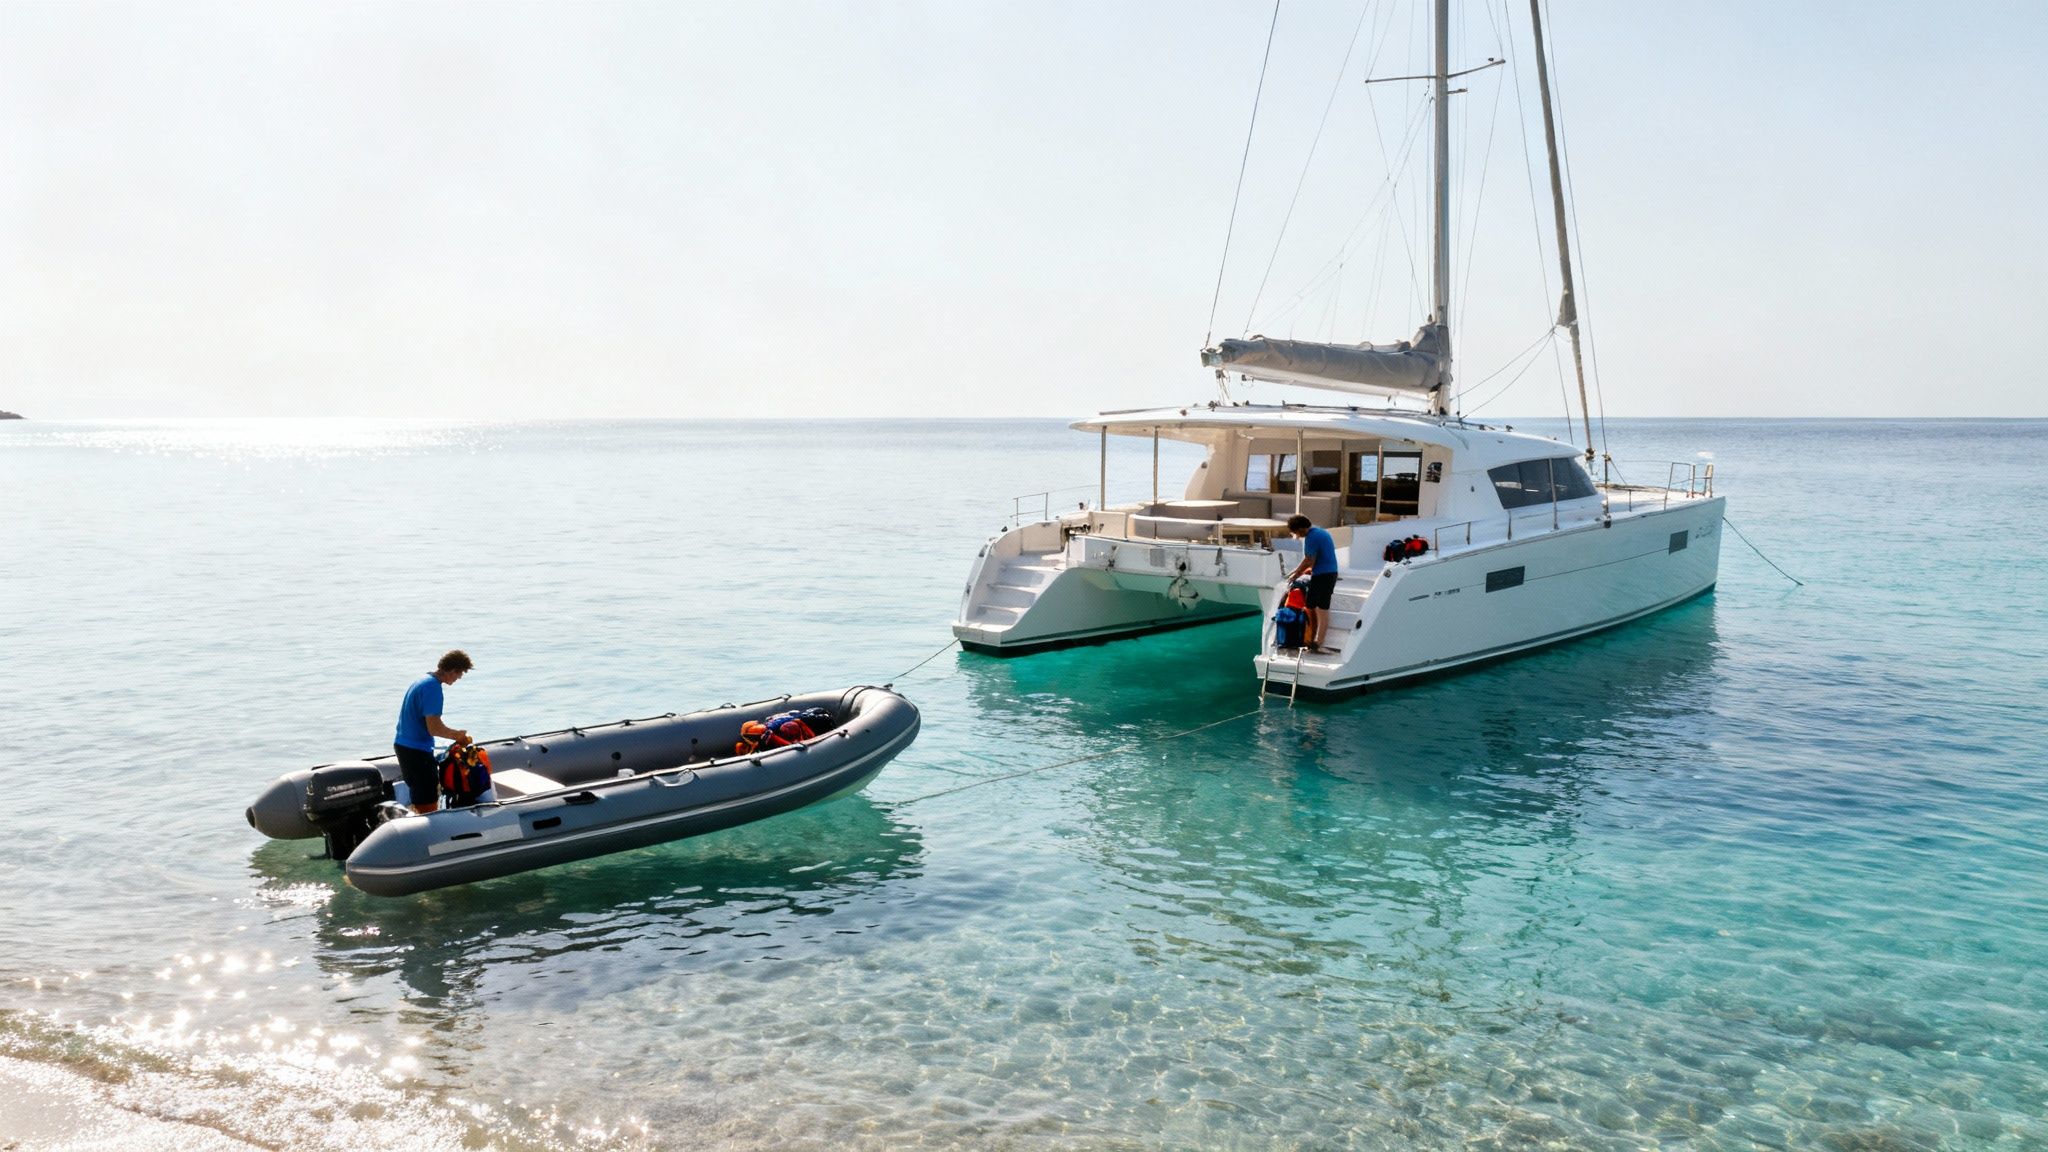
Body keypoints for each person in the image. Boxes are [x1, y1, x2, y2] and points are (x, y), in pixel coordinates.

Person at [393, 650, 472, 813]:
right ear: (452, 670)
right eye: (459, 674)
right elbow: (434, 727)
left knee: (419, 794)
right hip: (416, 751)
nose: (458, 679)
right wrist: (457, 735)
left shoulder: (422, 681)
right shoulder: (432, 688)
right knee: (427, 797)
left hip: (404, 745)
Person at [1285, 515, 1340, 654]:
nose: (1297, 535)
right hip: (1331, 573)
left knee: (1310, 604)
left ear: (1301, 528)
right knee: (1322, 606)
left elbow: (1310, 560)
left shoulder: (1311, 537)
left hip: (1322, 575)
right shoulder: (1321, 532)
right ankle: (1318, 641)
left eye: (1296, 532)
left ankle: (1310, 639)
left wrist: (1296, 574)